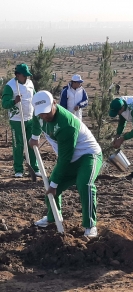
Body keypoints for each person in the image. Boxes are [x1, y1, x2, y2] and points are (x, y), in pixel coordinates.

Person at [29, 91, 102, 237]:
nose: (44, 116)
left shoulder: (66, 124)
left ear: (54, 103)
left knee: (84, 184)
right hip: (68, 158)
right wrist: (34, 137)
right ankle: (53, 217)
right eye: (41, 113)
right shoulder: (39, 114)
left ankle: (90, 226)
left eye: (47, 112)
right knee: (50, 185)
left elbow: (64, 159)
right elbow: (36, 122)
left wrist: (55, 184)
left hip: (88, 156)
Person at [1, 63, 41, 178]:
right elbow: (4, 104)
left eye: (27, 75)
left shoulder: (30, 83)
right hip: (17, 120)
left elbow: (34, 97)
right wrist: (14, 101)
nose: (27, 77)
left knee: (32, 143)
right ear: (18, 75)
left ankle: (35, 167)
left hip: (30, 118)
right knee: (18, 145)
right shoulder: (10, 86)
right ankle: (18, 170)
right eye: (24, 75)